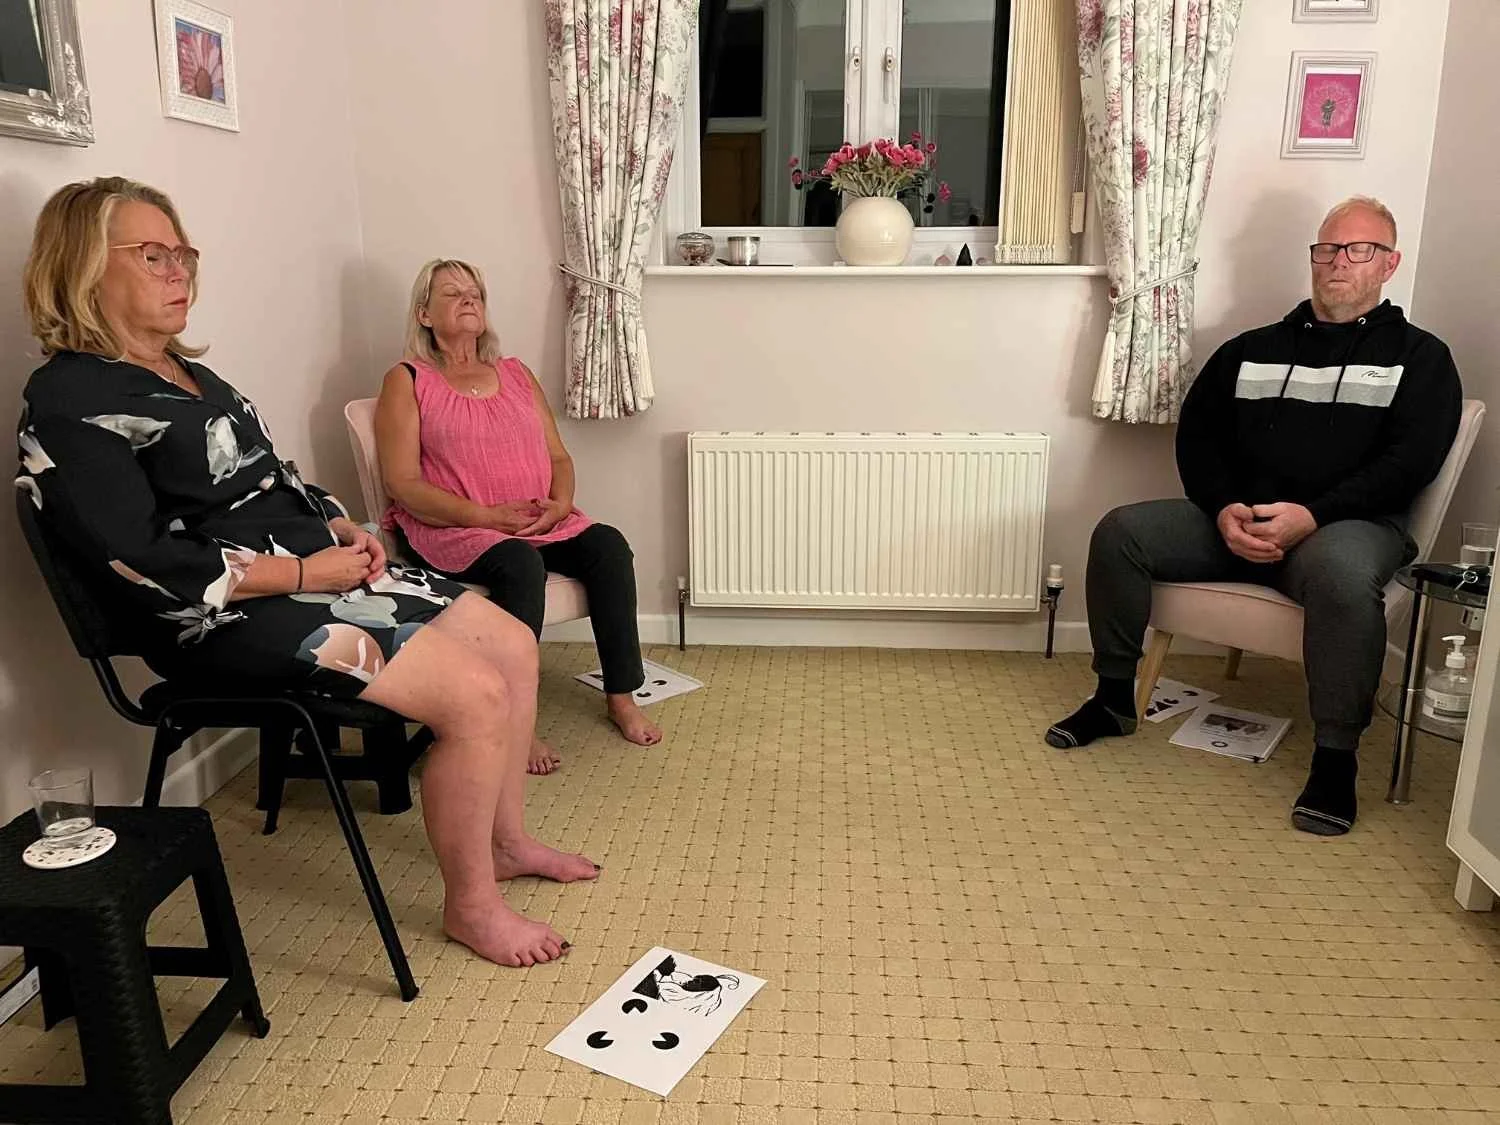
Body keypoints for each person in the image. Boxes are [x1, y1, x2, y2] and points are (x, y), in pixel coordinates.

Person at [17, 177, 597, 968]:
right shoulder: (68, 397)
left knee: (513, 644)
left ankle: (506, 840)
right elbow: (140, 559)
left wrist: (336, 522)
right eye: (153, 254)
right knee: (475, 692)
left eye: (182, 252)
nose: (179, 269)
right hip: (223, 614)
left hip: (309, 571)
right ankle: (473, 904)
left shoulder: (191, 373)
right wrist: (303, 572)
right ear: (82, 265)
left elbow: (272, 476)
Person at [1045, 196, 1463, 836]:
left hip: (1346, 529)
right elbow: (1199, 440)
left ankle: (1335, 760)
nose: (1337, 263)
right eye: (1326, 249)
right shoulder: (1251, 349)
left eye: (1358, 250)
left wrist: (1312, 516)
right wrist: (1223, 509)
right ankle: (1112, 700)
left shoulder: (1422, 358)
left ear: (1390, 263)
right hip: (1237, 521)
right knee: (1121, 533)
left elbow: (1410, 463)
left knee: (1343, 580)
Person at [374, 258, 662, 775]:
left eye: (476, 294)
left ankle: (621, 694)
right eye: (452, 293)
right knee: (518, 565)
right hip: (454, 528)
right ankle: (518, 720)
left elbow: (558, 458)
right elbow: (403, 483)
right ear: (422, 312)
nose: (468, 300)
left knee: (608, 546)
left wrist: (557, 505)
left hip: (536, 520)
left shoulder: (515, 372)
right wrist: (483, 515)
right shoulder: (408, 379)